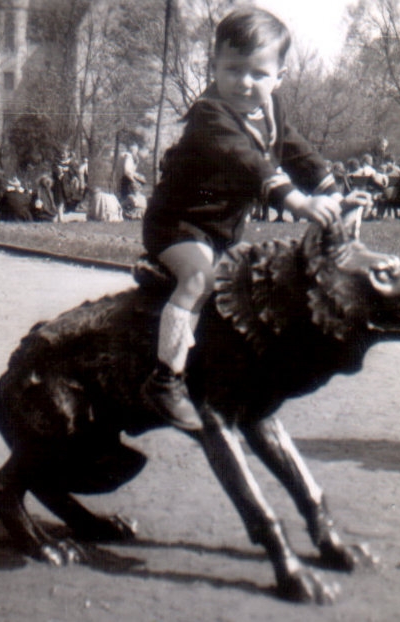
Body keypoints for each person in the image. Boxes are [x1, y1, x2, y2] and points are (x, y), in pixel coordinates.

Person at [140, 7, 369, 431]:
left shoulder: (272, 112)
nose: (245, 83)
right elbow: (246, 162)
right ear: (215, 68)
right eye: (233, 70)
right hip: (179, 223)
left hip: (221, 229)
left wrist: (334, 192)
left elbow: (299, 153)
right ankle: (164, 380)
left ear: (279, 76)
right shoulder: (211, 114)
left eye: (258, 73)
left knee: (254, 283)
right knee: (199, 280)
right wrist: (298, 204)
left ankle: (220, 359)